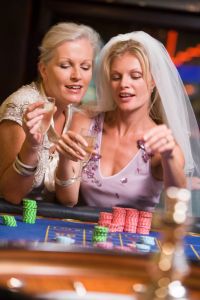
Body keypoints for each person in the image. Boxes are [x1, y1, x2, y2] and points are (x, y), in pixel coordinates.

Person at [56, 31, 200, 210]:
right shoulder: (85, 122)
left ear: (152, 80)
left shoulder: (162, 143)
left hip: (134, 237)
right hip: (84, 230)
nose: (124, 84)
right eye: (116, 77)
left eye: (135, 76)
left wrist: (169, 157)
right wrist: (64, 158)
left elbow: (177, 199)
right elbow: (67, 200)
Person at [0, 22, 101, 204]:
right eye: (65, 65)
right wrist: (31, 146)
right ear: (44, 70)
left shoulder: (74, 114)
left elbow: (68, 200)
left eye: (85, 67)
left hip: (43, 221)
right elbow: (11, 195)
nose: (77, 75)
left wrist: (65, 159)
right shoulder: (22, 106)